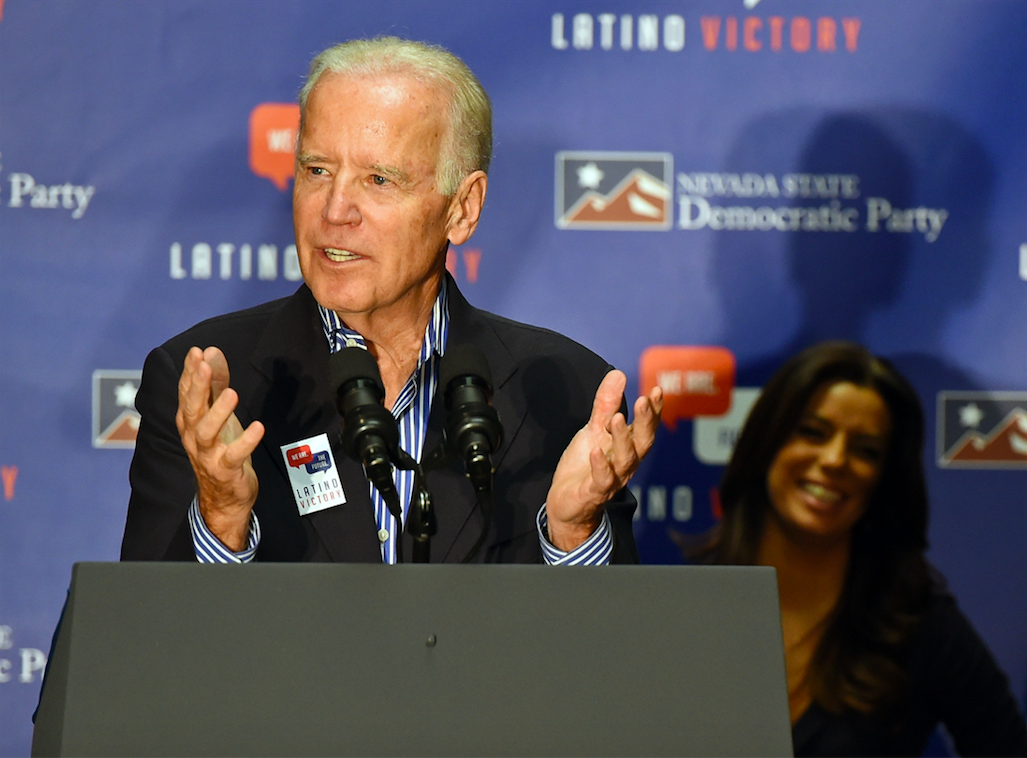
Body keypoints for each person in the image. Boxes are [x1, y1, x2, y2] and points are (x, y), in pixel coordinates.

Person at [120, 37, 663, 566]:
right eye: (317, 171)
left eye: (379, 180)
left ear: (463, 208)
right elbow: (144, 643)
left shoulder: (563, 396)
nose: (335, 210)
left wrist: (572, 536)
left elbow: (611, 654)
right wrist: (222, 522)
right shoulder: (209, 390)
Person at [692, 341, 1026, 755]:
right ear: (766, 442)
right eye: (813, 432)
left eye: (865, 451)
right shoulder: (685, 608)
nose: (834, 460)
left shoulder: (915, 626)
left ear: (883, 479)